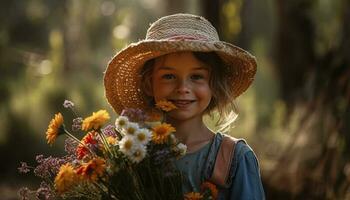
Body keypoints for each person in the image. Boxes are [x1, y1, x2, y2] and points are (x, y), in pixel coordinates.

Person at [104, 13, 265, 199]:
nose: (183, 88)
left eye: (196, 77)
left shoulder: (234, 159)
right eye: (169, 76)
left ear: (214, 84)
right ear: (149, 84)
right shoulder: (134, 157)